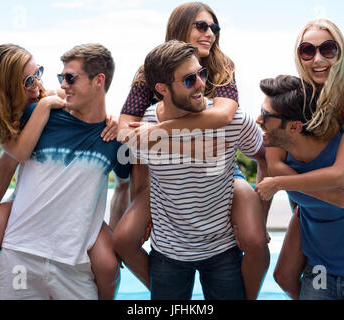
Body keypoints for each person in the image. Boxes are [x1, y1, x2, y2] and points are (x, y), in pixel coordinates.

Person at [113, 1, 270, 299]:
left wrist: (164, 132)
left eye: (214, 27)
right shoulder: (150, 70)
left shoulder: (221, 65)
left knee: (254, 238)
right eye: (201, 25)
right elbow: (127, 135)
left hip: (221, 165)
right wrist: (185, 145)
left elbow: (224, 116)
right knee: (123, 238)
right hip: (166, 165)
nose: (209, 33)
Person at [0, 43, 128, 299]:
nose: (37, 84)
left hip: (75, 216)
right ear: (12, 87)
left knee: (108, 265)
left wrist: (116, 119)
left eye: (39, 73)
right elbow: (7, 165)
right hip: (26, 216)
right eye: (28, 80)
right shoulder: (22, 115)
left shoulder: (53, 101)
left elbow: (87, 100)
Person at [255, 18, 344, 299]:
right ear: (299, 55)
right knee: (286, 273)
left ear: (339, 53)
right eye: (308, 50)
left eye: (327, 49)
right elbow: (276, 162)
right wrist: (322, 194)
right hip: (317, 187)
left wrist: (278, 184)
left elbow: (342, 174)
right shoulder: (295, 94)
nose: (317, 59)